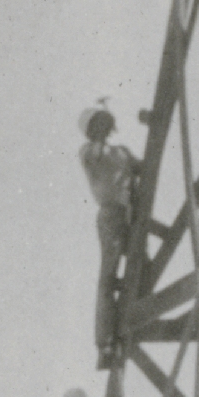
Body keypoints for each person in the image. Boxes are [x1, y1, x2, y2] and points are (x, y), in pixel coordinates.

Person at [79, 104, 141, 363]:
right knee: (108, 277)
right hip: (111, 216)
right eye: (98, 124)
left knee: (137, 267)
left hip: (131, 214)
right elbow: (95, 154)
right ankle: (104, 341)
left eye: (105, 123)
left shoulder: (121, 152)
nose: (103, 128)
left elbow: (142, 167)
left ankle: (134, 316)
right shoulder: (90, 152)